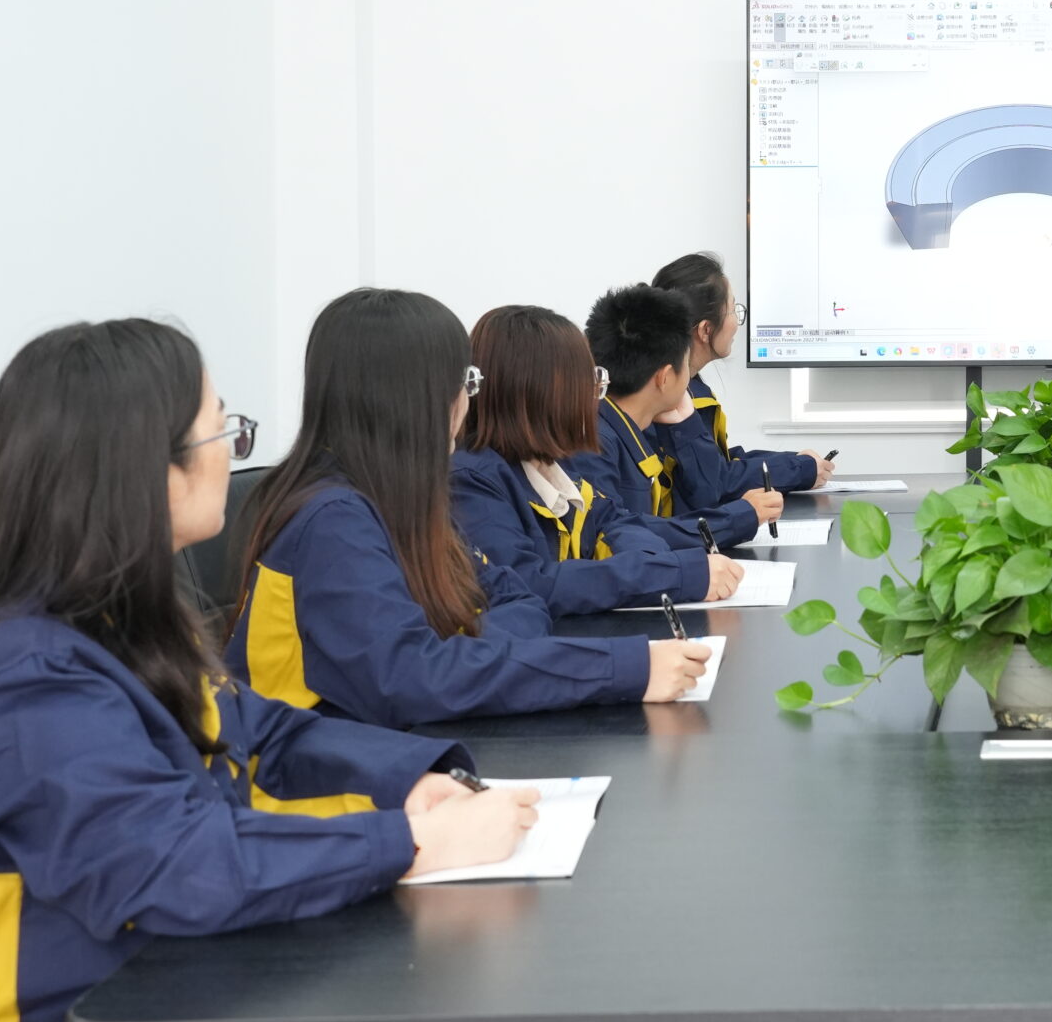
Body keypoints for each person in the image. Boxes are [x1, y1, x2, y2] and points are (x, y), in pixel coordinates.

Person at [0, 320, 535, 1022]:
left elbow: (255, 728)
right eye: (219, 432)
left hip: (136, 996)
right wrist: (411, 841)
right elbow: (177, 862)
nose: (233, 454)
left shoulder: (114, 614)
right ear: (148, 471)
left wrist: (410, 778)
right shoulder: (21, 678)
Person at [227, 288, 711, 726]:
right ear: (419, 395)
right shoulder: (333, 519)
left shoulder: (402, 496)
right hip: (310, 784)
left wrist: (460, 652)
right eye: (467, 381)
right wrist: (623, 668)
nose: (468, 400)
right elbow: (413, 680)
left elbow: (518, 598)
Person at [451, 303, 742, 615]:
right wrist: (675, 575)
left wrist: (665, 568)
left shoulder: (543, 465)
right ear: (540, 391)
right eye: (584, 380)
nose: (593, 396)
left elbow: (613, 522)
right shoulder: (472, 479)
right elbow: (528, 584)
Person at [577, 282, 769, 549]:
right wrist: (737, 519)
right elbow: (626, 537)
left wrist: (686, 426)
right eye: (685, 364)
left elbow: (705, 495)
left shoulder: (630, 424)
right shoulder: (597, 443)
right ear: (665, 378)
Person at [650, 251, 828, 509]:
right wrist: (798, 469)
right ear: (705, 329)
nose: (736, 322)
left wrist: (793, 461)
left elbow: (716, 462)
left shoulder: (688, 383)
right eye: (733, 310)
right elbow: (716, 482)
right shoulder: (672, 398)